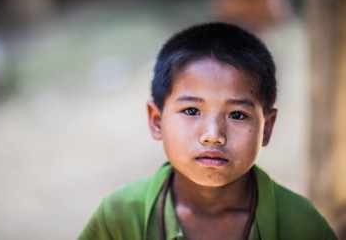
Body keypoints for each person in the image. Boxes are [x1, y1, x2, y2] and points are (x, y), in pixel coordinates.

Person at [78, 22, 338, 240]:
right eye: (191, 111)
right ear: (156, 121)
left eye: (237, 115)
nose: (213, 134)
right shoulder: (120, 217)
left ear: (266, 129)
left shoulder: (301, 224)